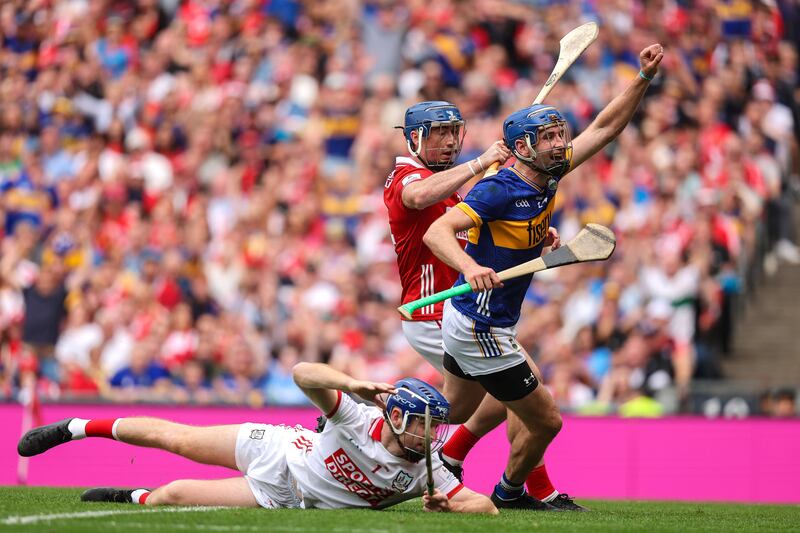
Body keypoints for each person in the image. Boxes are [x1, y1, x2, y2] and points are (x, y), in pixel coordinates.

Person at [423, 44, 665, 508]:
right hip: (481, 323)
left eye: (559, 134)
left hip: (476, 317)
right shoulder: (498, 188)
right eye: (548, 137)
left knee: (455, 409)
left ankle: (405, 437)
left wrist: (643, 78)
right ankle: (510, 493)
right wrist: (471, 267)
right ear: (522, 148)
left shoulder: (548, 174)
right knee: (547, 421)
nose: (559, 144)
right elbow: (438, 232)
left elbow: (605, 128)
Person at [384, 101, 581, 510]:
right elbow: (418, 197)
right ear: (414, 138)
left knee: (477, 403)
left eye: (453, 131)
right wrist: (479, 163)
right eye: (439, 132)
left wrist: (531, 235)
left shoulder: (450, 183)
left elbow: (481, 235)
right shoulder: (406, 176)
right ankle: (526, 487)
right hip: (433, 310)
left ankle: (453, 456)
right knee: (523, 391)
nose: (449, 141)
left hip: (462, 306)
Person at [17, 362, 496, 513]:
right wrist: (351, 383)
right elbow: (302, 373)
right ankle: (75, 427)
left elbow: (486, 507)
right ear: (394, 415)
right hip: (275, 447)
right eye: (422, 423)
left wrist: (449, 504)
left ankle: (131, 495)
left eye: (433, 425)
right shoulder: (354, 416)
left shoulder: (425, 470)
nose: (429, 434)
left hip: (280, 496)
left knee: (171, 495)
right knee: (178, 440)